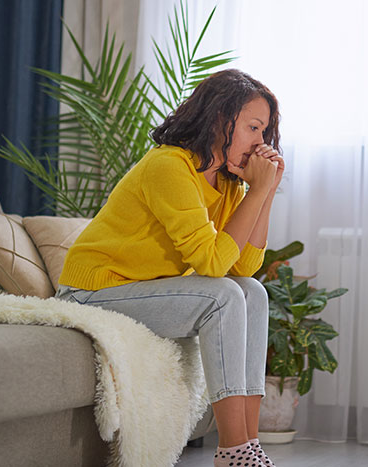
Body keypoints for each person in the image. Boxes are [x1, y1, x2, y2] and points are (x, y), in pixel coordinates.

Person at [55, 68, 284, 467]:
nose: (259, 143)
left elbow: (245, 265)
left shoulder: (227, 184)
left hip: (140, 291)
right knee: (225, 296)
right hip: (91, 292)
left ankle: (247, 445)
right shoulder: (170, 166)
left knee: (252, 292)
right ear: (219, 119)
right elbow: (213, 264)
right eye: (252, 127)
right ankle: (233, 450)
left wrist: (263, 193)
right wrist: (260, 190)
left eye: (263, 132)